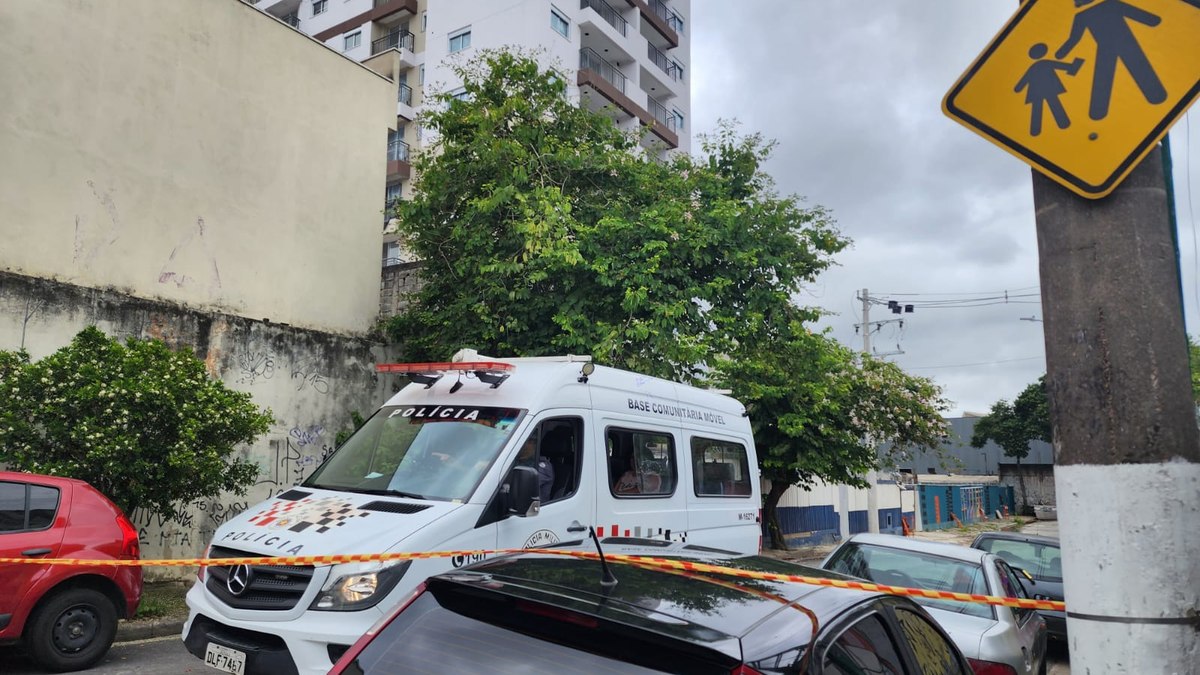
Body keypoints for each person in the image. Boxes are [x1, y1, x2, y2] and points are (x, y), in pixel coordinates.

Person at [518, 436, 554, 502]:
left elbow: (524, 486)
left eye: (529, 443)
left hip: (536, 508)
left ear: (534, 446)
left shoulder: (543, 467)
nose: (523, 447)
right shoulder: (520, 460)